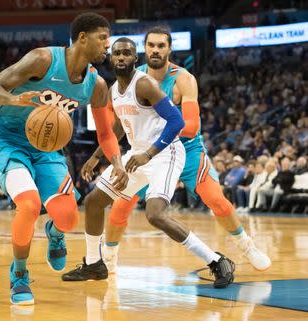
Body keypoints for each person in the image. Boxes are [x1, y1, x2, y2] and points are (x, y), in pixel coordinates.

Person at [79, 27, 271, 274]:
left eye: (161, 46)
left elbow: (190, 126)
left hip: (183, 149)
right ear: (143, 50)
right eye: (151, 45)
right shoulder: (129, 80)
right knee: (119, 207)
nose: (156, 50)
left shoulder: (183, 79)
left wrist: (155, 140)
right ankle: (108, 257)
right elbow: (119, 126)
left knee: (215, 200)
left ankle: (245, 245)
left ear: (169, 49)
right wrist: (101, 155)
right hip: (146, 151)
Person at [0, 13, 127, 305]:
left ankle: (55, 232)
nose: (107, 46)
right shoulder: (42, 59)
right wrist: (13, 99)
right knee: (30, 205)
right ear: (82, 38)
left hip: (47, 148)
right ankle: (19, 274)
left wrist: (118, 163)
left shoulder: (96, 86)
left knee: (69, 217)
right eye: (102, 38)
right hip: (8, 140)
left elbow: (106, 134)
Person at [62, 38, 235, 288]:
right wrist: (96, 156)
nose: (121, 57)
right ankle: (94, 264)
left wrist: (149, 154)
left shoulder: (144, 84)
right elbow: (118, 127)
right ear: (111, 58)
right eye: (117, 53)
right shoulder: (113, 90)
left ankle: (217, 261)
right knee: (94, 202)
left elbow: (177, 122)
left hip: (166, 153)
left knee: (155, 215)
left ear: (135, 59)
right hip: (138, 154)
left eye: (127, 54)